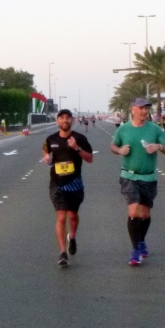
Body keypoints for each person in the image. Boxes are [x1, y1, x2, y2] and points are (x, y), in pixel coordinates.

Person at [110, 98, 165, 266]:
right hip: (129, 176)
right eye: (141, 108)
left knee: (144, 214)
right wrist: (120, 150)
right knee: (133, 211)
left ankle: (141, 240)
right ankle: (135, 249)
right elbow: (113, 146)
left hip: (148, 177)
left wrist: (159, 147)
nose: (144, 111)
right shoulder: (123, 129)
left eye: (146, 108)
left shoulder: (155, 129)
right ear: (133, 109)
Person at [42, 109, 94, 267]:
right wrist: (47, 159)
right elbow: (46, 152)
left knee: (72, 215)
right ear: (57, 121)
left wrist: (76, 148)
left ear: (72, 120)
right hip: (57, 184)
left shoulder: (80, 138)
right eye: (62, 118)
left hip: (75, 184)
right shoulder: (51, 139)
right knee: (61, 217)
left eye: (68, 118)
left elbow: (90, 158)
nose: (65, 120)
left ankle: (72, 237)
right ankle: (63, 252)